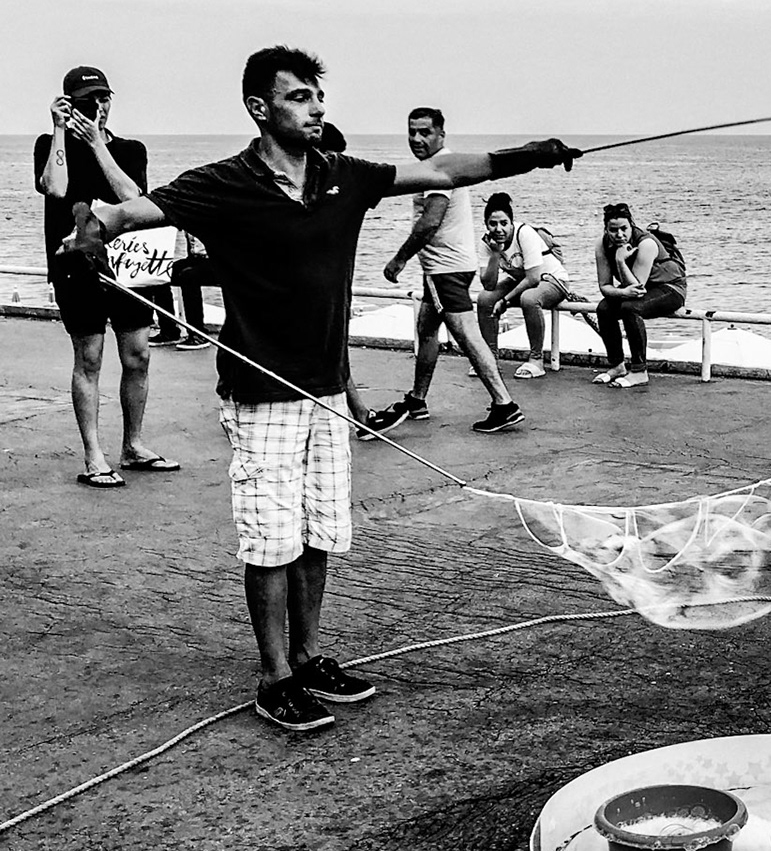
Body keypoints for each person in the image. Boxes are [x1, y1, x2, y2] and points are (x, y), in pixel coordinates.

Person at [61, 45, 578, 732]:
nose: (316, 107)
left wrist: (534, 154)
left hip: (327, 392)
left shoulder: (346, 175)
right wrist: (91, 229)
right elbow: (129, 213)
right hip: (259, 393)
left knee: (318, 534)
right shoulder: (223, 184)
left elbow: (445, 170)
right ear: (259, 108)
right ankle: (273, 677)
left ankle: (307, 657)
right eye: (299, 97)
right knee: (269, 540)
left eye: (317, 96)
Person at [32, 65, 178, 487]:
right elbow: (55, 188)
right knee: (90, 358)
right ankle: (93, 454)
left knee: (138, 355)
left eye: (104, 97)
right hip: (75, 267)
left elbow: (131, 196)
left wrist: (97, 143)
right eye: (87, 100)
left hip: (129, 265)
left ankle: (133, 444)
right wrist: (60, 131)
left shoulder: (130, 149)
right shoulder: (49, 143)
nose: (97, 106)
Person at [363, 109, 523, 435]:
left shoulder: (441, 170)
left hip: (445, 269)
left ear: (441, 135)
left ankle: (504, 404)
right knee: (426, 328)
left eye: (425, 132)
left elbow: (430, 221)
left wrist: (398, 259)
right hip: (451, 266)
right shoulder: (440, 165)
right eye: (413, 132)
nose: (418, 139)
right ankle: (418, 399)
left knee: (465, 334)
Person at [476, 193, 571, 380]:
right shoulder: (487, 243)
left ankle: (536, 360)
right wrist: (496, 254)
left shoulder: (524, 233)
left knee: (529, 298)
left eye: (504, 223)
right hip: (520, 281)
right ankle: (489, 360)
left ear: (512, 222)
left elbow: (534, 278)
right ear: (486, 224)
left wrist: (505, 300)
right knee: (484, 299)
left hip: (552, 280)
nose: (499, 229)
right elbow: (488, 284)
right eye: (492, 224)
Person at [592, 201, 686, 388]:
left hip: (670, 288)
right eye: (613, 230)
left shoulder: (647, 244)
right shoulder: (601, 245)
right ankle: (617, 366)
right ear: (606, 229)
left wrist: (620, 261)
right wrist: (620, 291)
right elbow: (604, 286)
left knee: (629, 308)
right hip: (636, 289)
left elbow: (637, 288)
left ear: (632, 225)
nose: (619, 235)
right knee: (603, 308)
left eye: (624, 229)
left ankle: (639, 371)